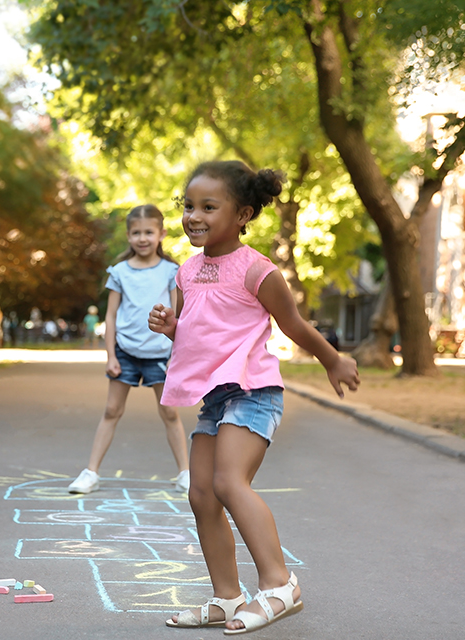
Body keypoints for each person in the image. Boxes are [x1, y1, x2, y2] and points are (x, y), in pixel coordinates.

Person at [149, 161, 360, 634]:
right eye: (187, 206)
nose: (193, 216)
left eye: (208, 206)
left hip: (254, 391)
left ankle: (281, 585)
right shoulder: (185, 272)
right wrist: (170, 329)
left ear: (242, 213)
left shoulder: (257, 270)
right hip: (216, 398)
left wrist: (332, 360)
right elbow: (195, 334)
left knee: (228, 482)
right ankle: (227, 597)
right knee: (201, 492)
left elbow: (294, 325)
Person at [68, 204, 191, 495]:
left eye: (149, 232)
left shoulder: (171, 271)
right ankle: (91, 473)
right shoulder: (120, 271)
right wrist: (110, 355)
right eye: (136, 233)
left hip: (160, 354)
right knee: (112, 410)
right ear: (128, 236)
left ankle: (185, 473)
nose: (143, 238)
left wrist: (179, 355)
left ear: (161, 234)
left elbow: (179, 317)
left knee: (170, 414)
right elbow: (110, 316)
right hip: (125, 352)